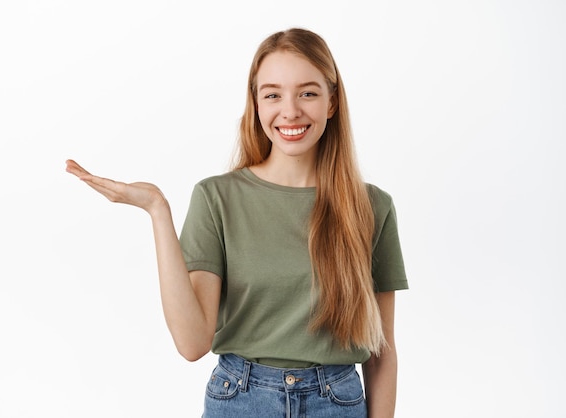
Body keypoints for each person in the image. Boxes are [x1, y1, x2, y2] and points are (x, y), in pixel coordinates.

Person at [66, 27, 408, 418]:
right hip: (243, 400)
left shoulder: (372, 207)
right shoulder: (217, 199)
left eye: (308, 93)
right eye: (273, 94)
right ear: (256, 104)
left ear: (331, 102)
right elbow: (192, 343)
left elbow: (382, 352)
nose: (290, 110)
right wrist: (157, 210)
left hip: (337, 401)